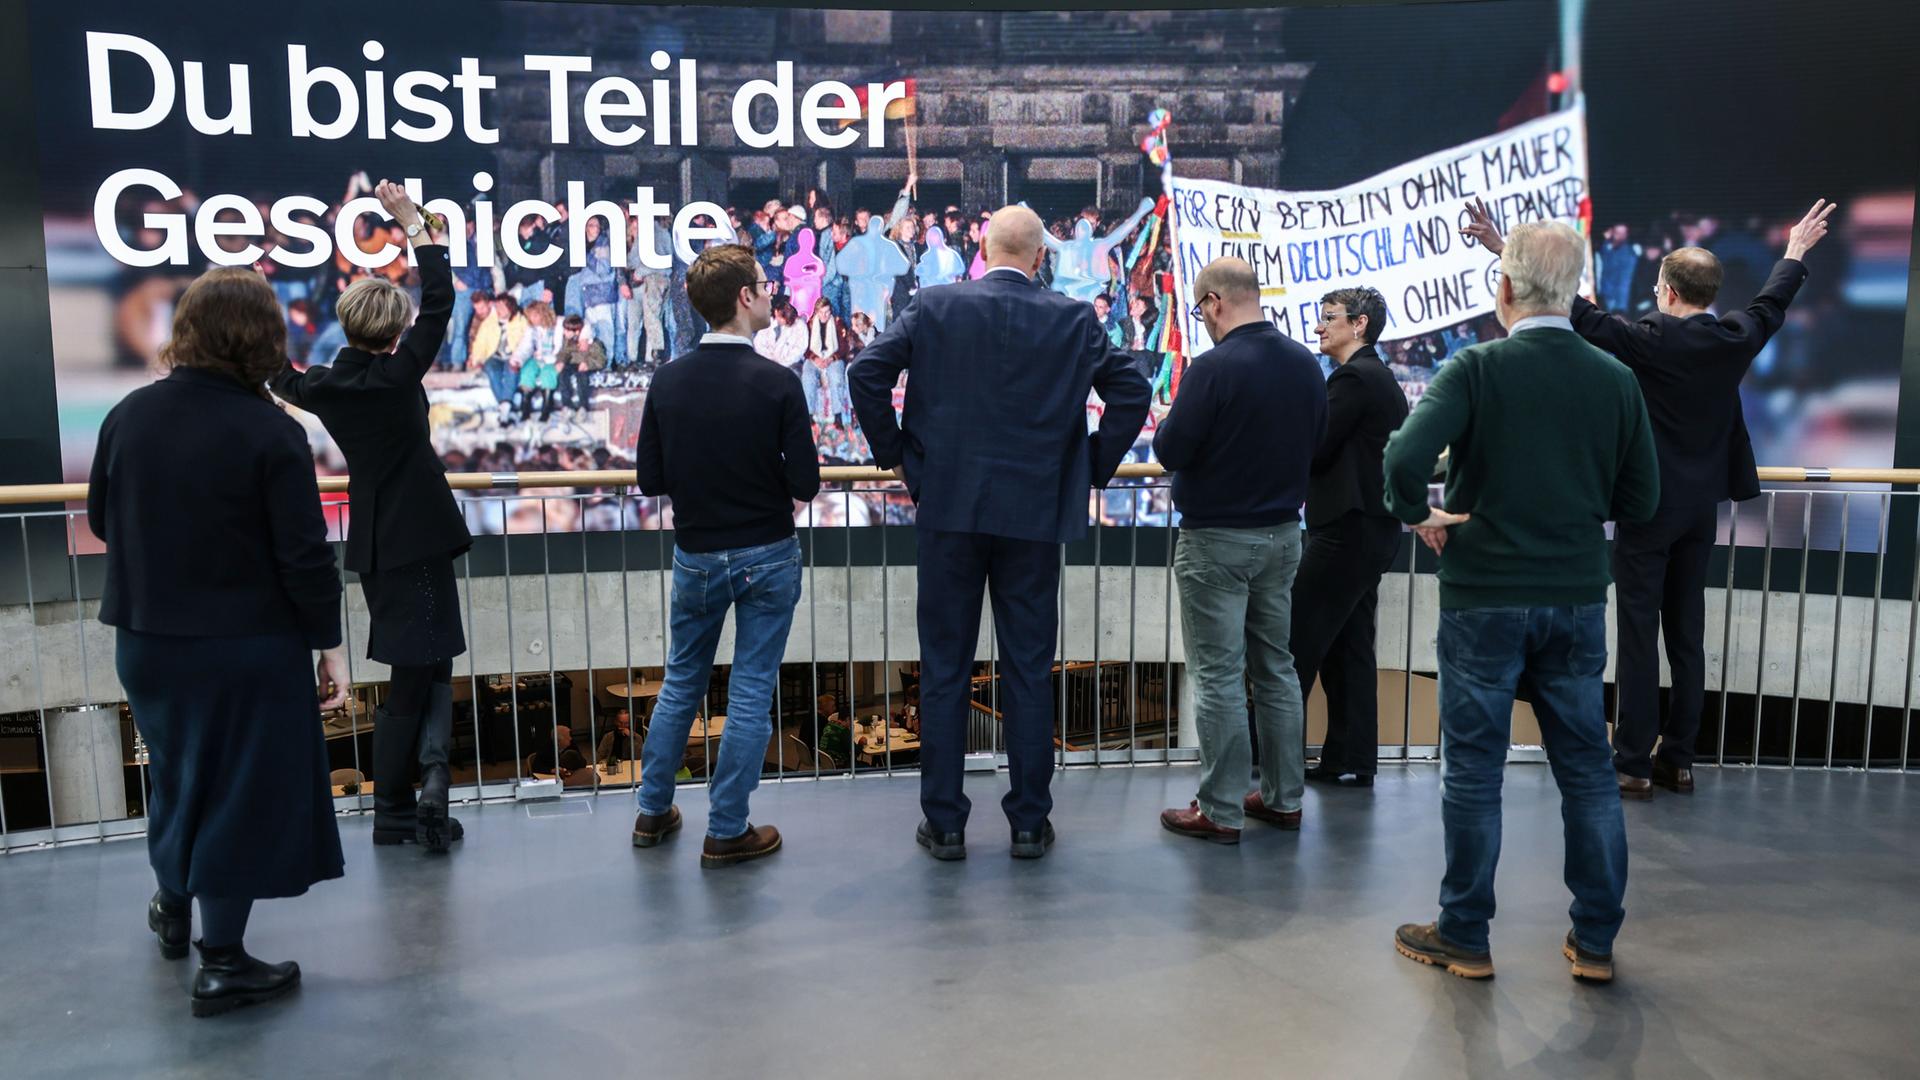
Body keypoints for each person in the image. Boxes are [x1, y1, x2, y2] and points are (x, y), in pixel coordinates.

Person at [1465, 198, 1833, 799]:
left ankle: (1633, 760)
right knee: (1686, 635)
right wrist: (1794, 249)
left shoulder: (1645, 340)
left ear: (1664, 292)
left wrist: (1500, 245)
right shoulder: (1735, 338)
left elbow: (1572, 309)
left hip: (1647, 508)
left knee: (1638, 634)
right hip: (1700, 512)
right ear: (1710, 294)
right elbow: (1772, 304)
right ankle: (1680, 759)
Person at [1383, 221, 1660, 984]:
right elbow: (1643, 498)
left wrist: (1418, 514)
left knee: (1474, 770)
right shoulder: (1615, 379)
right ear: (1576, 294)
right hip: (1574, 599)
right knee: (1589, 771)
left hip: (1483, 599)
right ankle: (1595, 943)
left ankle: (1465, 935)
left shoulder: (1475, 368)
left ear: (1504, 289)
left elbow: (1404, 457)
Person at [849, 205, 1150, 861]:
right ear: (1041, 257)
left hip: (949, 510)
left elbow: (865, 372)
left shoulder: (935, 308)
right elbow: (1133, 389)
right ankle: (1027, 824)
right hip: (1037, 516)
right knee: (1027, 671)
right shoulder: (1072, 317)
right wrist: (1091, 467)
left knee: (946, 670)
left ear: (982, 251)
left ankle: (947, 823)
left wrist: (897, 455)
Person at [89, 264, 349, 1017]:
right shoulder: (272, 431)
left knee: (178, 775)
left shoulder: (128, 416)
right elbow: (304, 557)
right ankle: (224, 961)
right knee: (238, 791)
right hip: (243, 644)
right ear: (264, 339)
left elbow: (105, 521)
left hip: (146, 639)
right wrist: (328, 644)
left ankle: (172, 908)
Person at [271, 179, 470, 855]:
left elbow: (277, 374)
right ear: (394, 330)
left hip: (379, 545)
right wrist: (414, 226)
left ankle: (428, 793)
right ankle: (402, 809)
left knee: (428, 669)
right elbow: (441, 302)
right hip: (423, 541)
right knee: (420, 678)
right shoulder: (395, 376)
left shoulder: (326, 385)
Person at [631, 243, 821, 867]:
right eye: (765, 286)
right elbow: (807, 485)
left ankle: (653, 813)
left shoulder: (668, 379)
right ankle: (727, 829)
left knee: (681, 681)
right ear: (745, 298)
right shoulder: (778, 381)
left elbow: (651, 478)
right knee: (749, 691)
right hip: (768, 552)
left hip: (697, 555)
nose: (771, 294)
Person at [1152, 257, 1327, 843]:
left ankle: (1221, 809)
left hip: (1217, 542)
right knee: (1277, 669)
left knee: (1219, 676)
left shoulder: (1213, 367)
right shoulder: (1306, 363)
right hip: (1283, 536)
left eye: (1200, 309)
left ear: (1214, 302)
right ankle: (1283, 799)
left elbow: (1172, 447)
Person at [1292, 287, 1410, 787]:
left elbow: (1313, 449)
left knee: (1290, 647)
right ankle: (1350, 758)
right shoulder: (1376, 377)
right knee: (1349, 649)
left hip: (1345, 531)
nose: (1319, 327)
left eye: (1328, 318)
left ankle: (1268, 762)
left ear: (1358, 325)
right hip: (1370, 531)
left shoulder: (1355, 378)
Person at [802, 297, 852, 425]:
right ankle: (809, 414)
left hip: (833, 356)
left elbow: (844, 346)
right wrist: (815, 358)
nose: (824, 315)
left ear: (831, 311)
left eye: (827, 312)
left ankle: (838, 415)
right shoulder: (810, 324)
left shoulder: (838, 323)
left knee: (836, 376)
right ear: (816, 312)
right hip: (815, 356)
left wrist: (832, 358)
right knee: (808, 376)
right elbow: (805, 346)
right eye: (821, 312)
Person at [554, 313, 607, 418]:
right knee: (563, 375)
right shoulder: (568, 341)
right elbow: (564, 353)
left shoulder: (593, 343)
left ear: (577, 331)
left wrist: (588, 364)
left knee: (582, 377)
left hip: (586, 366)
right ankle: (567, 406)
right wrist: (561, 361)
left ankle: (583, 406)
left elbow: (601, 360)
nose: (564, 333)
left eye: (567, 331)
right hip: (573, 363)